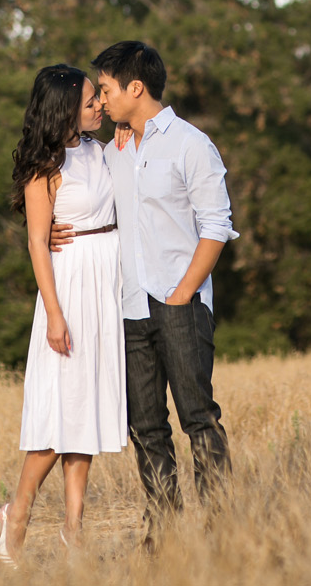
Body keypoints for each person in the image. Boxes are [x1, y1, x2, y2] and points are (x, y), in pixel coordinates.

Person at [53, 40, 237, 549]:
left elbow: (217, 226)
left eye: (106, 89)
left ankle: (222, 532)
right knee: (147, 427)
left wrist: (182, 294)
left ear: (136, 88)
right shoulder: (109, 152)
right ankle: (165, 533)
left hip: (179, 304)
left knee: (199, 417)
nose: (101, 100)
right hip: (126, 309)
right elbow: (76, 201)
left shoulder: (190, 144)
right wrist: (50, 232)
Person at [0, 64, 127, 567]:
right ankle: (17, 514)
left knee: (85, 408)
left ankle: (74, 530)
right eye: (90, 100)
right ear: (64, 107)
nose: (98, 106)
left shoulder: (101, 150)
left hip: (104, 284)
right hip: (68, 289)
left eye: (97, 98)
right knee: (59, 412)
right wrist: (53, 313)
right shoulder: (44, 165)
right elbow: (36, 242)